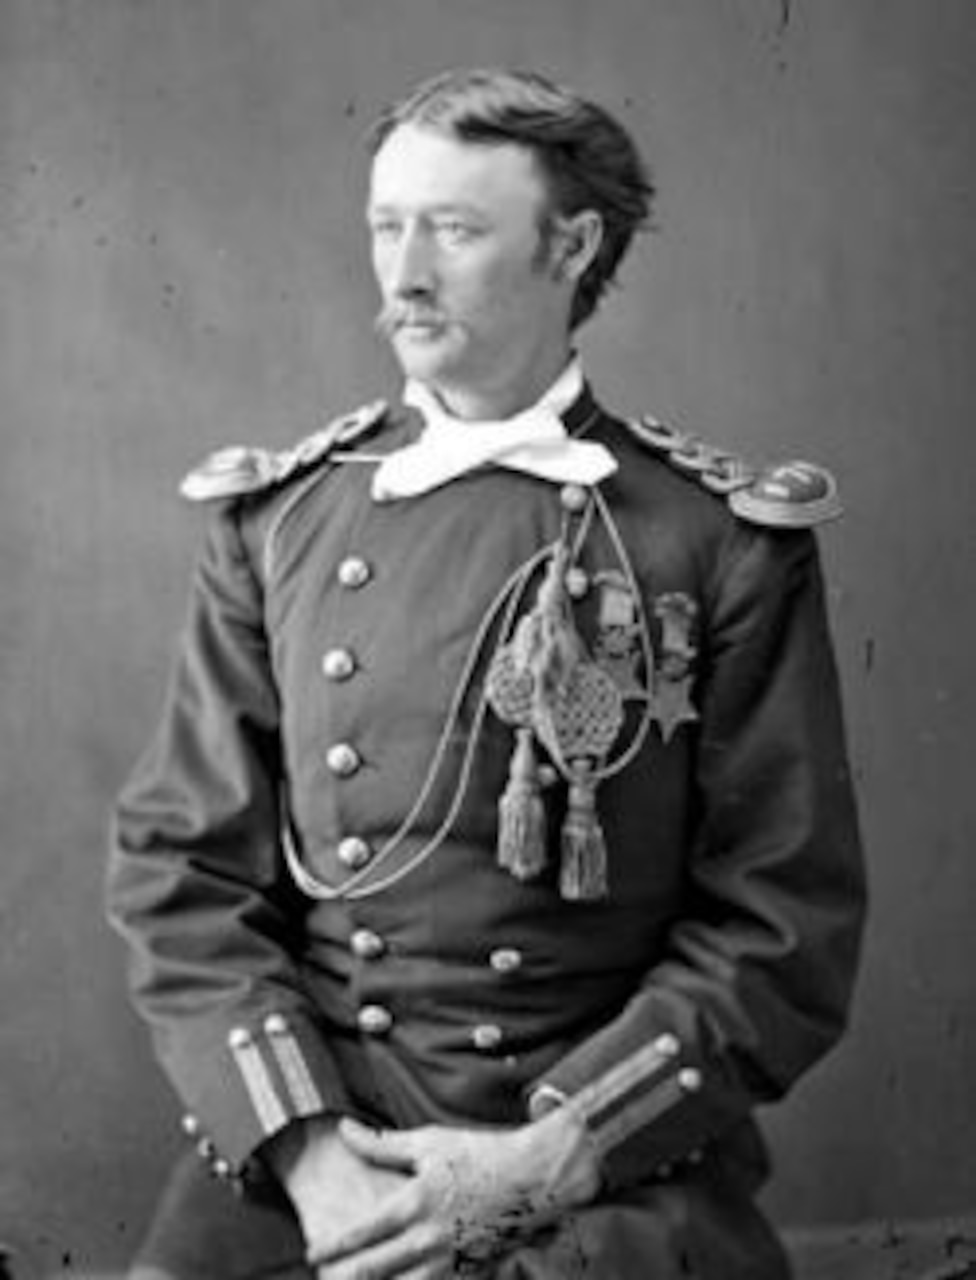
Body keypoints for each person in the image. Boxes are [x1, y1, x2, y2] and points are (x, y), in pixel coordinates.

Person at [107, 67, 865, 1280]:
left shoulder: (713, 539)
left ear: (573, 246)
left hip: (587, 1154)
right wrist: (308, 1154)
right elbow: (184, 871)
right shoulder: (277, 521)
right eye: (384, 226)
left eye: (453, 230)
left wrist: (552, 1155)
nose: (403, 274)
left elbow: (782, 923)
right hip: (315, 1148)